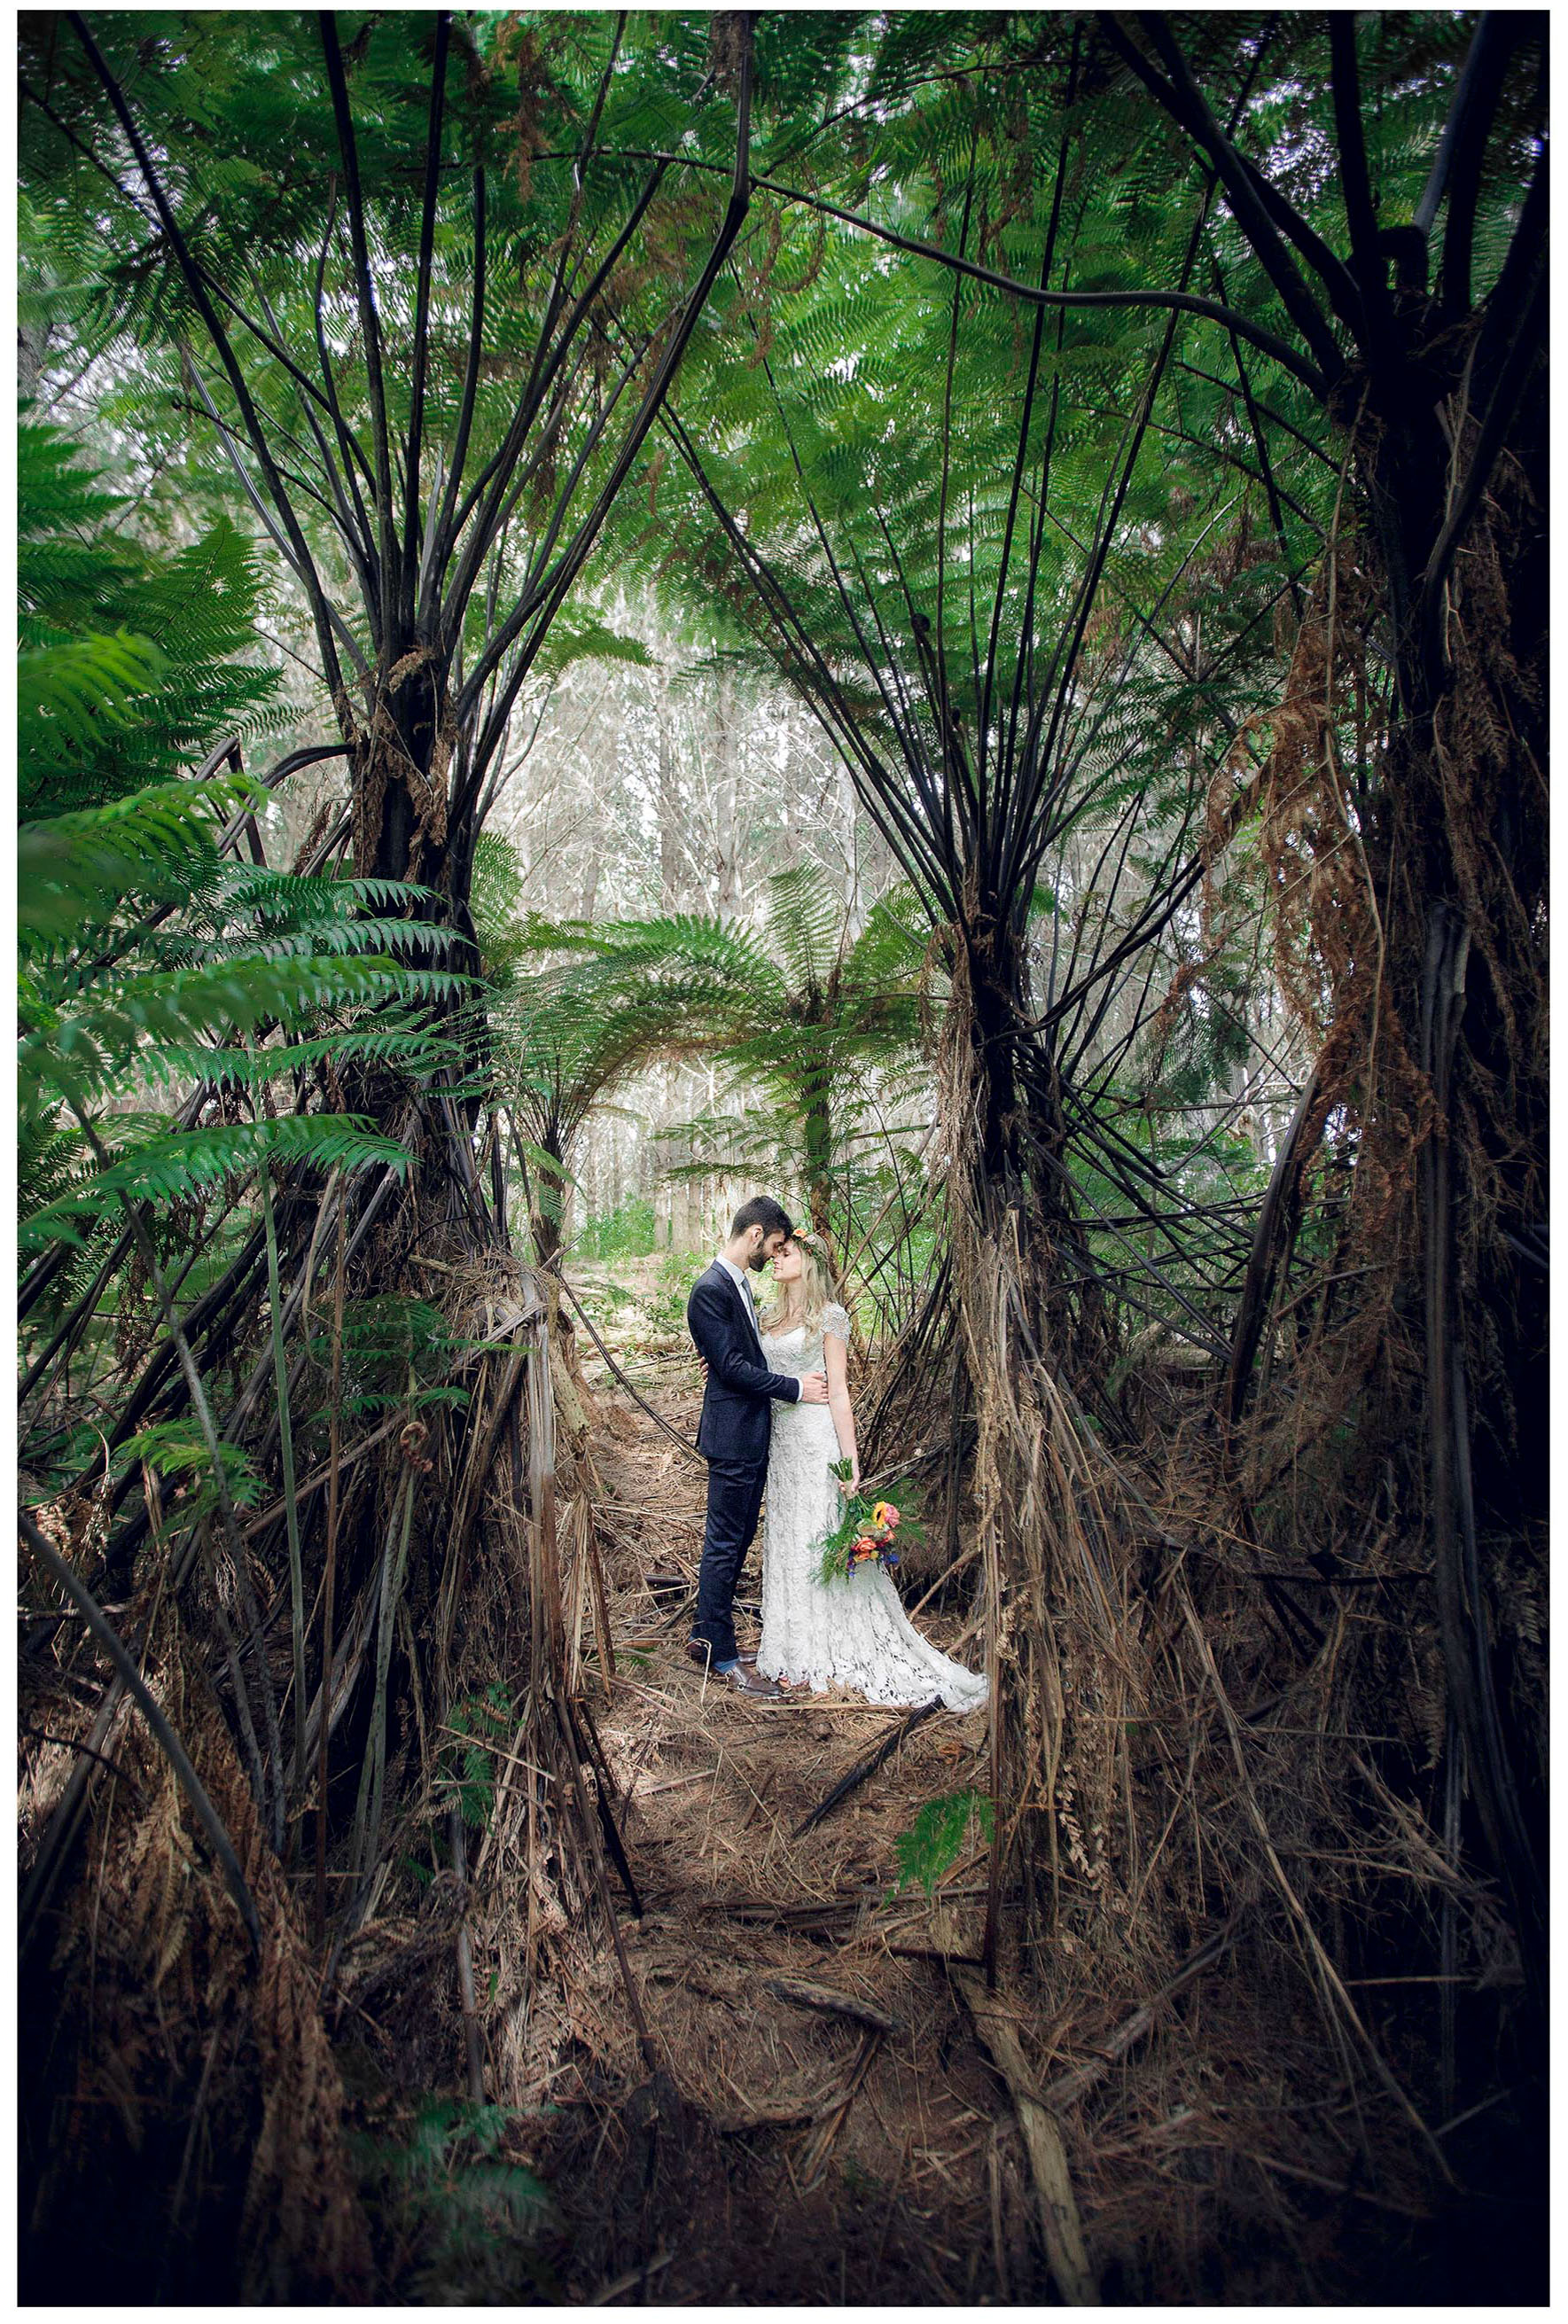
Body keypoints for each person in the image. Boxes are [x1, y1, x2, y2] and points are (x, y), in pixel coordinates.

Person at [754, 1233, 987, 1712]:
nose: (775, 1261)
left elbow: (838, 1391)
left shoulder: (830, 1317)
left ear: (810, 1261)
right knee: (788, 1536)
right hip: (780, 1441)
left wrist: (851, 1459)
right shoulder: (767, 1317)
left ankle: (828, 1642)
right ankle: (790, 1643)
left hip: (816, 1439)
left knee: (817, 1533)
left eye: (785, 1253)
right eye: (774, 1253)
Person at [685, 1196, 828, 1698]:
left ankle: (709, 1633)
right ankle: (719, 1655)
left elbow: (735, 1354)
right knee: (724, 1542)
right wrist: (794, 1389)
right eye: (773, 1244)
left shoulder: (737, 1285)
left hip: (748, 1432)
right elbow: (731, 1367)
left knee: (737, 1537)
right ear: (753, 1235)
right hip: (732, 1435)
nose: (773, 1254)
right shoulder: (710, 1289)